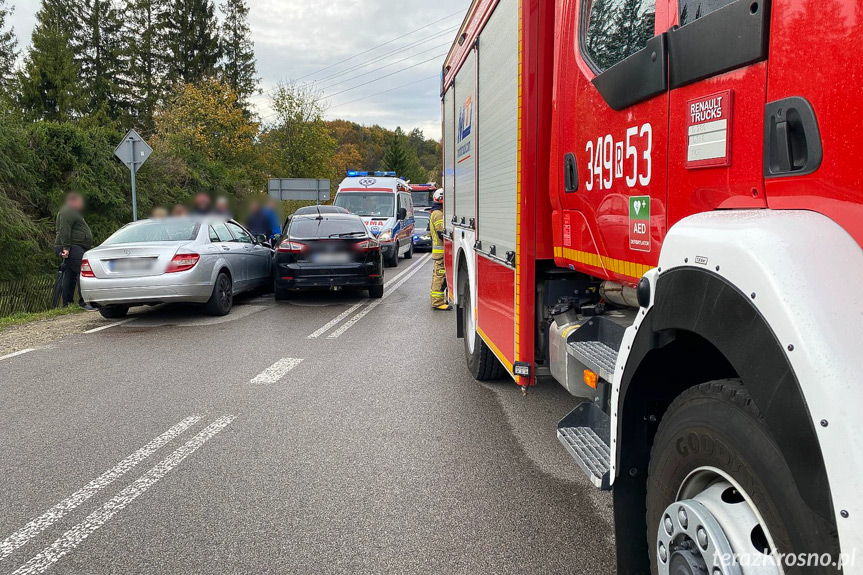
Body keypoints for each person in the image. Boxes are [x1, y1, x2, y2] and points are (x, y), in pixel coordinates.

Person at [54, 192, 95, 310]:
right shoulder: (67, 211)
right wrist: (66, 247)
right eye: (80, 201)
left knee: (70, 274)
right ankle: (84, 302)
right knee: (82, 271)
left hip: (74, 246)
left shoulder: (72, 212)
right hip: (72, 246)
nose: (81, 204)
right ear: (73, 201)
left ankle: (67, 303)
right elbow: (64, 230)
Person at [429, 189, 451, 311]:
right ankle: (437, 302)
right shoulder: (438, 213)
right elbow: (441, 233)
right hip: (441, 252)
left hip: (440, 252)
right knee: (439, 276)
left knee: (438, 276)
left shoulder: (435, 212)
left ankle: (439, 300)